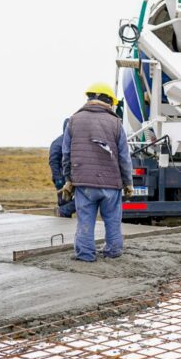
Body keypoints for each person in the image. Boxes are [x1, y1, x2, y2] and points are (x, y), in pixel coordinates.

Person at [61, 83, 134, 262]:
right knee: (112, 220)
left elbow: (66, 154)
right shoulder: (116, 123)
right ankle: (113, 252)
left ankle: (85, 255)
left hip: (84, 183)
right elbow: (124, 157)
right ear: (108, 101)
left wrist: (69, 179)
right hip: (111, 183)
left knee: (85, 220)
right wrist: (128, 183)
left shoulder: (74, 120)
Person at [49, 118, 76, 218]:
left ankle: (64, 213)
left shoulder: (74, 141)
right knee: (64, 200)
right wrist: (58, 178)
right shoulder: (58, 143)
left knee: (80, 200)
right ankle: (63, 216)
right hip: (62, 177)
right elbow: (53, 161)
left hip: (72, 177)